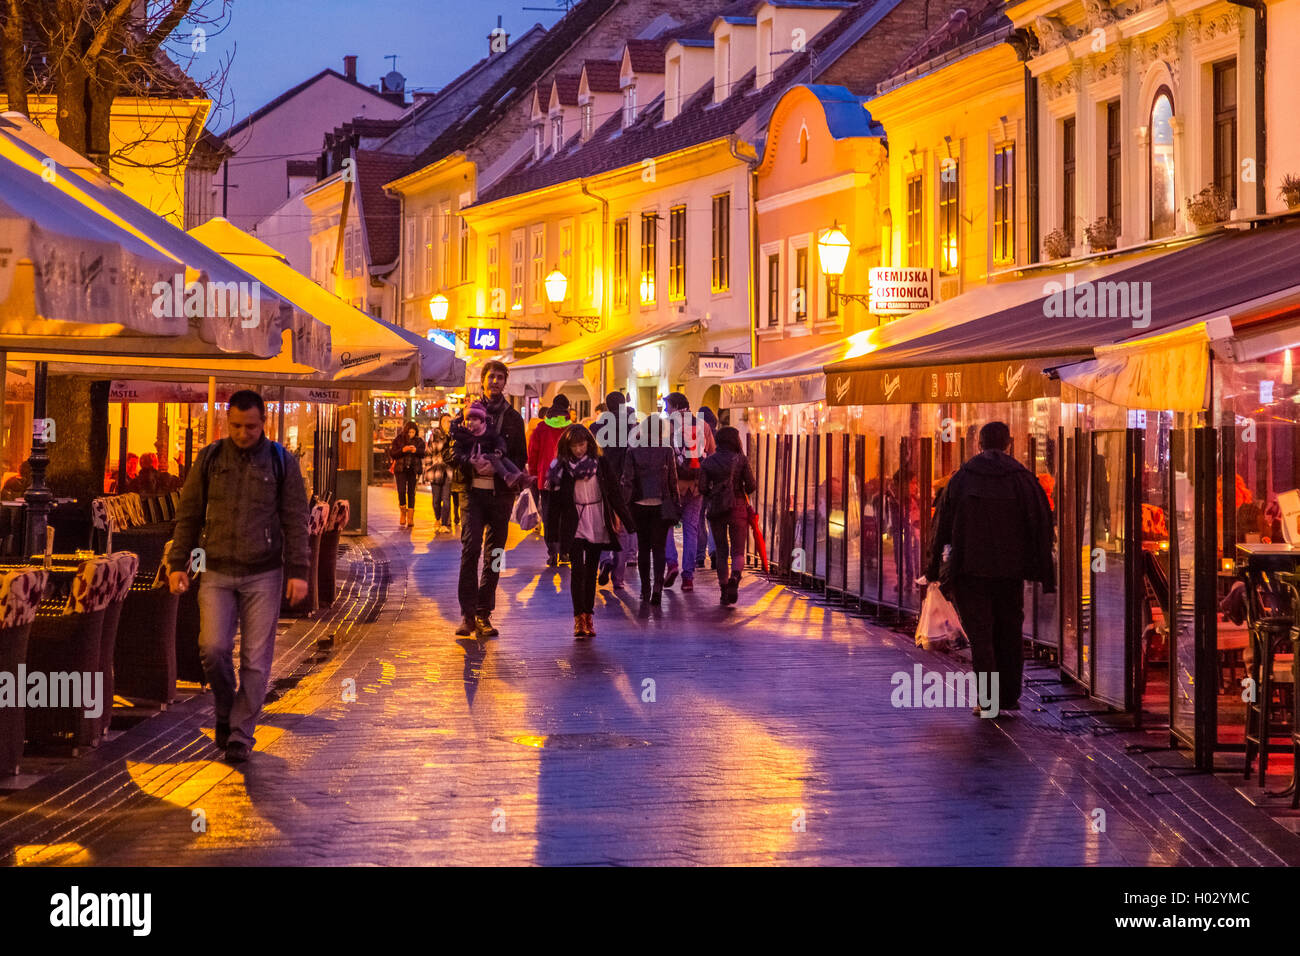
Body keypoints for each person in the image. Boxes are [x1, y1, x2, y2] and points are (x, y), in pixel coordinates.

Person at [166, 390, 310, 763]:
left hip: (264, 572)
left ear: (264, 424)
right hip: (215, 569)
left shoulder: (281, 461)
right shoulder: (210, 458)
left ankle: (240, 735)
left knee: (256, 661)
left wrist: (298, 571)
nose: (243, 433)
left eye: (250, 426)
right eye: (235, 426)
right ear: (225, 422)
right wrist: (178, 563)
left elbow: (296, 520)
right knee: (212, 649)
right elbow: (189, 515)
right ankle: (227, 711)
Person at [925, 421, 1055, 716]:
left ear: (979, 444)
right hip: (1011, 572)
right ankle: (1009, 695)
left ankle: (989, 701)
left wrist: (933, 568)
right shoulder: (1022, 478)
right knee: (1009, 631)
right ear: (1008, 443)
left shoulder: (963, 478)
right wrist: (1040, 565)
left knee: (982, 636)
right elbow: (1042, 523)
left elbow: (941, 525)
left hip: (970, 571)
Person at [443, 362, 527, 638]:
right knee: (470, 550)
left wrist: (499, 465)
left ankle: (483, 613)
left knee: (495, 554)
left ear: (505, 383)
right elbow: (449, 454)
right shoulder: (465, 414)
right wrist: (471, 465)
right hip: (472, 493)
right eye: (491, 377)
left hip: (500, 495)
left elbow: (521, 457)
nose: (495, 382)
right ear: (483, 381)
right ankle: (467, 614)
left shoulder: (513, 419)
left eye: (500, 378)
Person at [545, 423, 636, 638]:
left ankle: (589, 616)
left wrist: (628, 522)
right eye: (575, 446)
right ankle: (578, 618)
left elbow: (614, 492)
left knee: (591, 571)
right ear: (568, 446)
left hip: (597, 519)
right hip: (573, 522)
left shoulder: (600, 463)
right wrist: (552, 535)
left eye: (582, 444)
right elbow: (554, 504)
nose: (579, 449)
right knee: (577, 571)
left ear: (589, 443)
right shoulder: (560, 467)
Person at [622, 412, 680, 604]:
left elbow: (628, 481)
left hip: (639, 505)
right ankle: (657, 587)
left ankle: (645, 589)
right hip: (661, 504)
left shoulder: (633, 451)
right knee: (660, 548)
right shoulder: (666, 450)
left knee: (644, 548)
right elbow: (673, 481)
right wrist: (676, 505)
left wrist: (625, 506)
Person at [662, 392, 713, 592]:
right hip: (695, 487)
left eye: (667, 407)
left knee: (666, 525)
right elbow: (711, 454)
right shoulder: (703, 426)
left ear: (674, 407)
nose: (666, 410)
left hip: (673, 486)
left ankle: (672, 562)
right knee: (690, 530)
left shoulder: (667, 427)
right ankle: (688, 577)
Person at [699, 426, 756, 605]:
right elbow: (751, 486)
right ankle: (735, 578)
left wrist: (714, 493)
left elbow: (702, 488)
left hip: (717, 509)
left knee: (722, 550)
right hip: (738, 507)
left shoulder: (709, 462)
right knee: (738, 550)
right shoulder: (741, 459)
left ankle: (724, 590)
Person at [595, 392, 636, 590]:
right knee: (623, 530)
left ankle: (605, 560)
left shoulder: (597, 427)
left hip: (602, 481)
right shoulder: (633, 427)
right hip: (625, 482)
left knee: (603, 525)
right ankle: (618, 578)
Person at [527, 394, 572, 567]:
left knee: (548, 516)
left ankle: (552, 551)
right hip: (567, 479)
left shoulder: (541, 429)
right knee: (565, 516)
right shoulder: (571, 429)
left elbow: (533, 454)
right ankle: (565, 551)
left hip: (545, 480)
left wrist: (533, 474)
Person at [389, 421, 426, 530]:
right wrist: (402, 450)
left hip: (413, 469)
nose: (411, 434)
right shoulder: (399, 439)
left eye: (413, 432)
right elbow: (393, 453)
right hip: (401, 469)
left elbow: (423, 453)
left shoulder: (419, 441)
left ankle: (410, 518)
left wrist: (416, 451)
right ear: (406, 431)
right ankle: (403, 514)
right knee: (401, 491)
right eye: (409, 432)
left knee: (411, 492)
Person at [697, 406, 720, 569]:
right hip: (716, 484)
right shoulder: (719, 436)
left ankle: (699, 555)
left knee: (698, 520)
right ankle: (714, 552)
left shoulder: (697, 435)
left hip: (700, 482)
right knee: (713, 520)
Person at [425, 413, 454, 533]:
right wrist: (427, 470)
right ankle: (437, 518)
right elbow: (431, 451)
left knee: (446, 499)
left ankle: (444, 523)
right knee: (436, 500)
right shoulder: (435, 435)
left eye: (449, 421)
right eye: (444, 421)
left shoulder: (454, 436)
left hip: (448, 471)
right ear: (441, 423)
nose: (447, 423)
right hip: (435, 471)